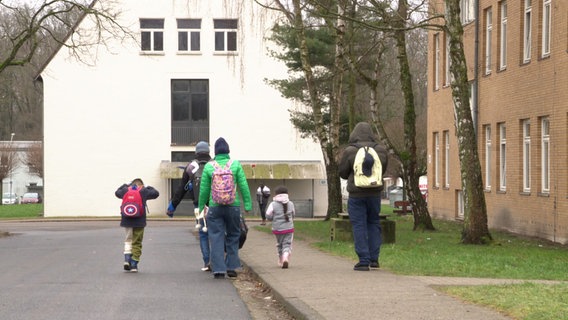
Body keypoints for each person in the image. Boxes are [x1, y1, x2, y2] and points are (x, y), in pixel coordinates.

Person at [198, 137, 252, 279]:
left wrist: (200, 206)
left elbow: (204, 189)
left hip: (215, 207)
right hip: (232, 206)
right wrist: (247, 204)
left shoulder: (209, 167)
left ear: (215, 152)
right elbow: (244, 186)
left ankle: (218, 269)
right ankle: (232, 267)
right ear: (228, 151)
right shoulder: (235, 165)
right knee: (233, 235)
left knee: (216, 237)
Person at [338, 122, 388, 271]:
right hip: (375, 193)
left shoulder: (350, 151)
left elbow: (342, 173)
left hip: (356, 194)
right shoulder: (381, 150)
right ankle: (374, 259)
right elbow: (382, 171)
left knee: (359, 225)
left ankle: (363, 260)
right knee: (374, 223)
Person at [167, 141, 212, 271]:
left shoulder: (191, 166)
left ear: (196, 152)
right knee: (215, 231)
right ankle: (218, 260)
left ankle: (207, 261)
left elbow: (181, 189)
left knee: (203, 233)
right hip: (215, 203)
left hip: (198, 204)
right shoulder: (214, 164)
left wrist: (172, 206)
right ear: (208, 152)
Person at [115, 178, 159, 273]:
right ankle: (134, 264)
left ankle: (127, 260)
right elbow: (156, 193)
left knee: (128, 240)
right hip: (139, 221)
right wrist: (147, 187)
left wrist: (125, 185)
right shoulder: (143, 191)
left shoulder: (125, 190)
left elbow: (117, 193)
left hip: (126, 220)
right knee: (137, 242)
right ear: (141, 185)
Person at [265, 185, 295, 269]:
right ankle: (285, 257)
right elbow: (293, 215)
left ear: (276, 194)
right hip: (289, 228)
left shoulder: (273, 204)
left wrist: (272, 219)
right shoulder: (291, 204)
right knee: (287, 244)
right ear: (287, 194)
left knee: (279, 244)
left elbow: (268, 215)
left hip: (277, 229)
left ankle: (281, 260)